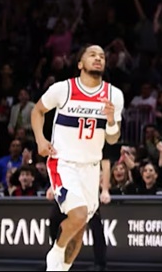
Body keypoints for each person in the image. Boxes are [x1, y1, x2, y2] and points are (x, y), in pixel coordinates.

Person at [31, 45, 125, 272]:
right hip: (64, 163)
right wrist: (41, 141)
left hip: (91, 168)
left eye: (102, 56)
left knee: (80, 227)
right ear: (80, 64)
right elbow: (37, 111)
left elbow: (112, 140)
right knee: (79, 214)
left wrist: (111, 121)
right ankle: (55, 252)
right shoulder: (63, 89)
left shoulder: (114, 95)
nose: (98, 58)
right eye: (92, 55)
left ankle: (60, 268)